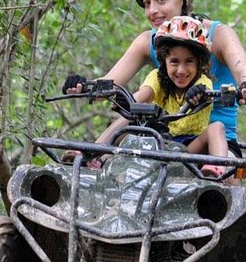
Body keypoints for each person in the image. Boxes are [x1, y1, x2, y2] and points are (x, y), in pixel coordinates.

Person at [62, 0, 246, 158]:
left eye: (161, 0)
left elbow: (243, 73)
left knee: (224, 179)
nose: (153, 11)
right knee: (134, 115)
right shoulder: (148, 41)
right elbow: (108, 84)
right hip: (166, 141)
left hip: (216, 145)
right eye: (147, 3)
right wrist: (84, 85)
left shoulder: (219, 35)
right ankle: (92, 154)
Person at [94, 16, 228, 177]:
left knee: (217, 127)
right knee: (126, 121)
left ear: (199, 63)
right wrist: (126, 102)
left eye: (189, 62)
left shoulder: (202, 82)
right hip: (158, 141)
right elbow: (144, 94)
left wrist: (198, 95)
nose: (181, 70)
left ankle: (216, 170)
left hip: (189, 148)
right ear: (164, 60)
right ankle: (93, 153)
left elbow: (204, 93)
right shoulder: (157, 77)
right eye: (174, 62)